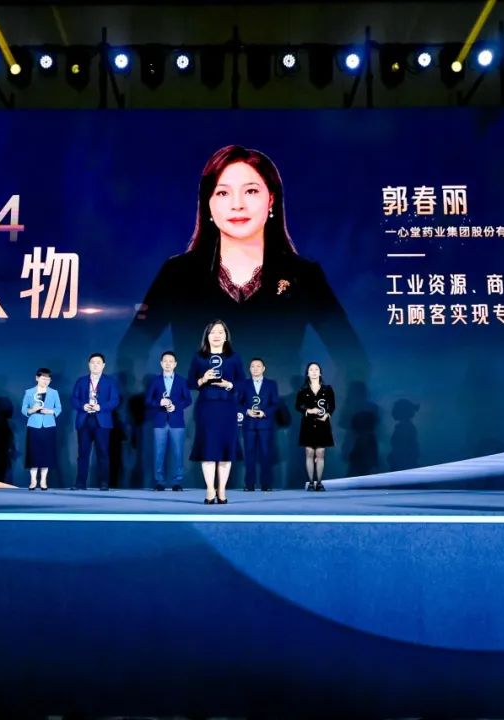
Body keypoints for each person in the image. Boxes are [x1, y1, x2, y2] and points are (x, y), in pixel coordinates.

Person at [117, 144, 369, 386]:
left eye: (251, 191)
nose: (237, 204)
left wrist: (316, 404)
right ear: (208, 204)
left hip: (276, 412)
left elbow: (354, 359)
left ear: (271, 199)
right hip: (198, 412)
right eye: (223, 193)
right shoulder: (177, 274)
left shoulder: (303, 276)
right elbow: (129, 351)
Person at [188, 320, 246, 504]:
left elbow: (242, 384)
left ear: (226, 336)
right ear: (207, 336)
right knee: (208, 449)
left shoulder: (234, 357)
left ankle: (221, 489)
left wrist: (228, 384)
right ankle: (210, 489)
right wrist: (203, 379)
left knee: (225, 450)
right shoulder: (199, 357)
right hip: (206, 408)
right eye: (213, 332)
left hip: (228, 407)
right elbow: (190, 383)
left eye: (221, 332)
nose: (217, 335)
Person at [70, 353, 120, 490]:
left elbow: (115, 400)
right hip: (85, 420)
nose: (95, 365)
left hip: (102, 421)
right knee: (83, 454)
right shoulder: (81, 381)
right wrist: (82, 406)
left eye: (98, 363)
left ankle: (104, 483)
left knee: (103, 453)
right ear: (89, 365)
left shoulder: (110, 382)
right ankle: (80, 483)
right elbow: (74, 399)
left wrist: (100, 407)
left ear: (103, 365)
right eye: (92, 362)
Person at [145, 351, 193, 491]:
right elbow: (148, 400)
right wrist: (159, 402)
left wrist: (176, 407)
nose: (168, 364)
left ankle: (177, 482)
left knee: (178, 453)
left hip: (176, 421)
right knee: (158, 453)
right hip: (159, 422)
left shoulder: (181, 381)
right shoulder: (155, 381)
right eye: (165, 361)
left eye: (170, 361)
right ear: (161, 363)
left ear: (175, 364)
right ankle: (159, 482)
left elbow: (188, 400)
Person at [240, 357, 280, 492]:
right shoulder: (244, 384)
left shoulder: (271, 384)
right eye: (253, 366)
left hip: (265, 425)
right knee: (249, 455)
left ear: (263, 368)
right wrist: (247, 411)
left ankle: (266, 484)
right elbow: (238, 403)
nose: (255, 369)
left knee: (265, 454)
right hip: (249, 425)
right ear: (249, 369)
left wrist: (264, 412)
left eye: (258, 366)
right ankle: (249, 484)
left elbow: (275, 403)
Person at [296, 362, 335, 491]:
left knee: (320, 453)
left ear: (320, 372)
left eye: (316, 369)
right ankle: (311, 482)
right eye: (311, 370)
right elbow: (298, 406)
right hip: (308, 424)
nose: (314, 372)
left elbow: (332, 406)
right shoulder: (303, 390)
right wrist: (309, 410)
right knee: (309, 452)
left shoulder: (327, 389)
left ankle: (319, 482)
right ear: (307, 373)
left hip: (322, 424)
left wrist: (327, 415)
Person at [21, 368, 62, 490]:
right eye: (43, 379)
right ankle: (33, 480)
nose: (46, 381)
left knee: (47, 453)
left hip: (49, 425)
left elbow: (59, 408)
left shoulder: (54, 392)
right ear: (37, 378)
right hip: (34, 425)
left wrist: (51, 411)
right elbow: (23, 409)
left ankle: (44, 480)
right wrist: (32, 410)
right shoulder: (29, 392)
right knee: (33, 453)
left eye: (48, 379)